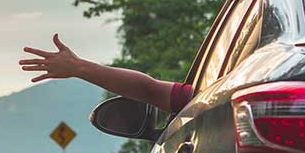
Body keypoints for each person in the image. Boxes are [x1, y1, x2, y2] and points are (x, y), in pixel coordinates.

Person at [20, 34, 193, 115]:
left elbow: (150, 91)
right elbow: (150, 91)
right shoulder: (211, 99)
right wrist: (77, 67)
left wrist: (77, 67)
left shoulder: (208, 100)